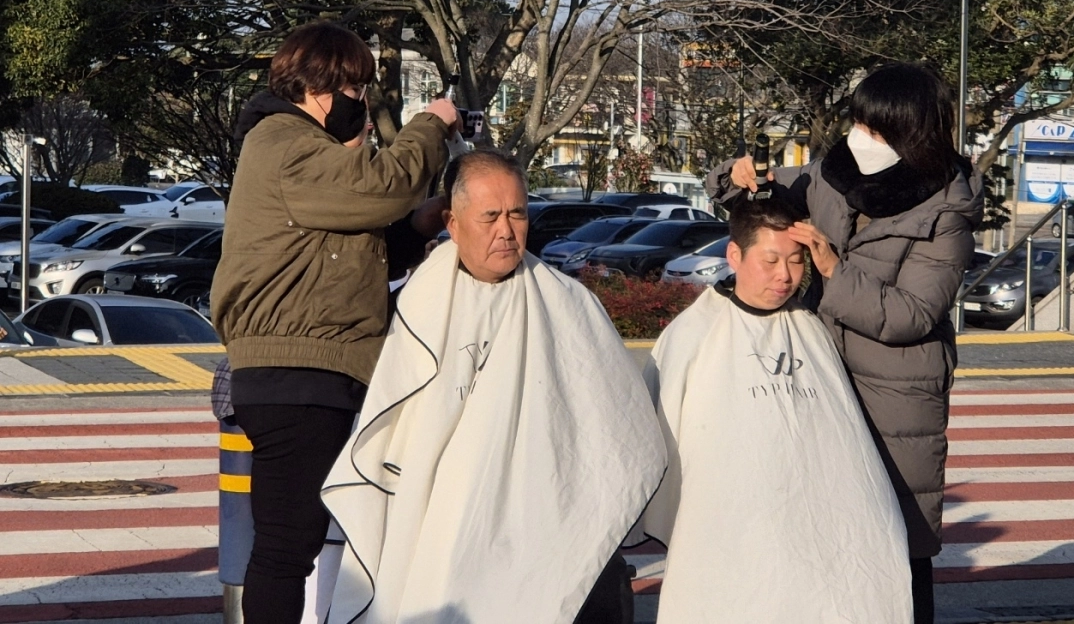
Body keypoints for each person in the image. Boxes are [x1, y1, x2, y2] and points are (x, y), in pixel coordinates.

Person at [321, 149, 666, 624]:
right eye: (490, 216)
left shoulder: (569, 304)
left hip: (546, 511)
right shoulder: (412, 309)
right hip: (444, 516)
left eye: (517, 213)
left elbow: (617, 421)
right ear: (453, 222)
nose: (506, 230)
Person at [707, 62, 983, 624]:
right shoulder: (834, 173)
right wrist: (732, 179)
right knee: (823, 529)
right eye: (858, 121)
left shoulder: (948, 212)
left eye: (875, 128)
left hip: (896, 394)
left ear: (912, 133)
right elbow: (759, 197)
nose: (861, 137)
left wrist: (833, 271)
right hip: (820, 375)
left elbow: (912, 314)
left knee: (895, 540)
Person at [211, 21, 461, 624]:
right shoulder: (286, 143)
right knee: (286, 547)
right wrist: (435, 125)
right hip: (298, 371)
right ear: (320, 85)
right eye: (356, 89)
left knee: (291, 542)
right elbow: (382, 185)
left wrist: (424, 224)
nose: (363, 105)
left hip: (310, 368)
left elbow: (354, 247)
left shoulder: (296, 150)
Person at [640, 194, 912, 623]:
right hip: (727, 526)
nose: (785, 276)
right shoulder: (693, 334)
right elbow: (659, 438)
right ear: (735, 255)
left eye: (796, 261)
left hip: (816, 523)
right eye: (770, 260)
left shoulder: (810, 329)